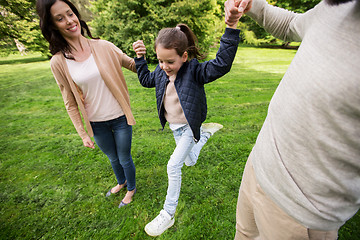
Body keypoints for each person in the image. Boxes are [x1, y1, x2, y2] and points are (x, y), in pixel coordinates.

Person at [225, 0, 360, 239]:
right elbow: (292, 25)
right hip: (258, 167)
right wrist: (255, 5)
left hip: (301, 212)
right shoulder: (339, 7)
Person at [132, 17, 242, 235]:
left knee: (173, 166)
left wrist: (231, 29)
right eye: (160, 61)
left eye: (169, 62)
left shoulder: (195, 71)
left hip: (189, 127)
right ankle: (205, 134)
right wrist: (140, 58)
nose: (164, 67)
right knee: (190, 161)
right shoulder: (162, 72)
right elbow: (145, 80)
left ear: (184, 56)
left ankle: (167, 214)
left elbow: (221, 64)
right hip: (176, 128)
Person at [36, 0, 137, 208]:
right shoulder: (58, 62)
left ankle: (131, 189)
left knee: (124, 158)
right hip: (96, 123)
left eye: (70, 13)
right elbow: (70, 102)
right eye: (60, 18)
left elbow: (132, 65)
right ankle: (121, 182)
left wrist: (148, 58)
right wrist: (83, 133)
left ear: (76, 14)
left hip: (119, 117)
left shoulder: (104, 46)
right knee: (113, 158)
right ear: (53, 25)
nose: (69, 21)